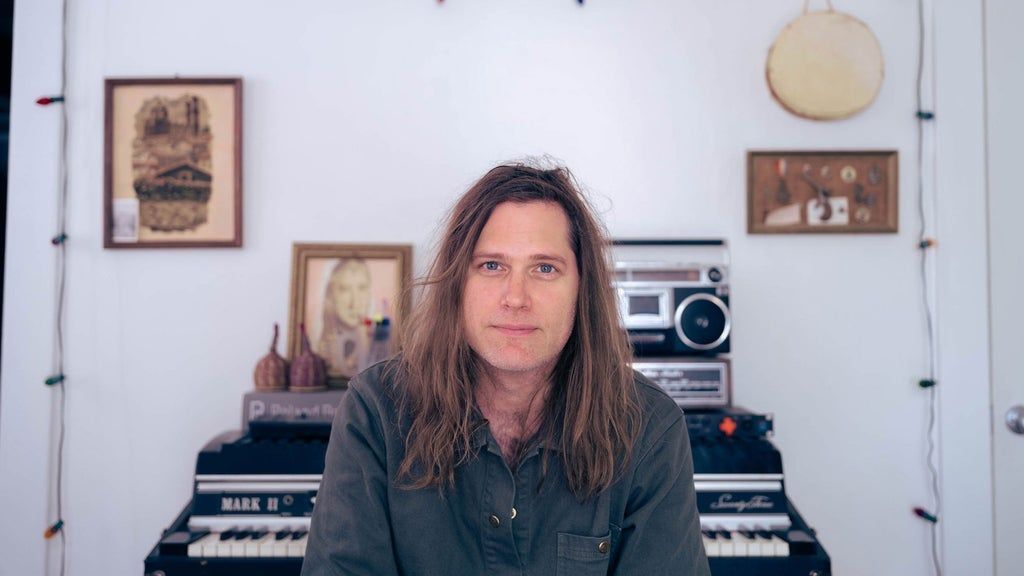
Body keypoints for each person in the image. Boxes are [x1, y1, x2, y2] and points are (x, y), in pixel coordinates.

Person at [302, 162, 710, 575]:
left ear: (581, 289)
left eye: (545, 268)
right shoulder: (376, 411)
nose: (515, 298)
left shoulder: (650, 426)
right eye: (492, 266)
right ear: (458, 283)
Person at [316, 258, 372, 379]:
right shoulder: (323, 348)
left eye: (362, 288)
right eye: (344, 289)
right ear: (331, 296)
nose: (354, 303)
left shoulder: (380, 336)